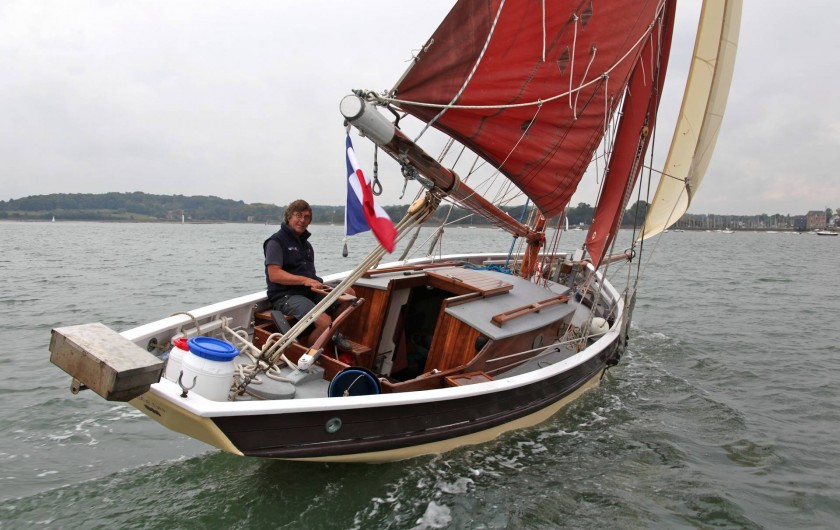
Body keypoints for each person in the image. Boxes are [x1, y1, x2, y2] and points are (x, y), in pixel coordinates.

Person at [263, 199, 354, 348]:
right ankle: (310, 356)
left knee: (348, 294)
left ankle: (332, 334)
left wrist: (312, 283)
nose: (302, 220)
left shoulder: (306, 245)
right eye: (298, 215)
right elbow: (275, 274)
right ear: (289, 217)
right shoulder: (276, 242)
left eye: (306, 217)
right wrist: (305, 280)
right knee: (325, 323)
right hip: (286, 296)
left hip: (308, 291)